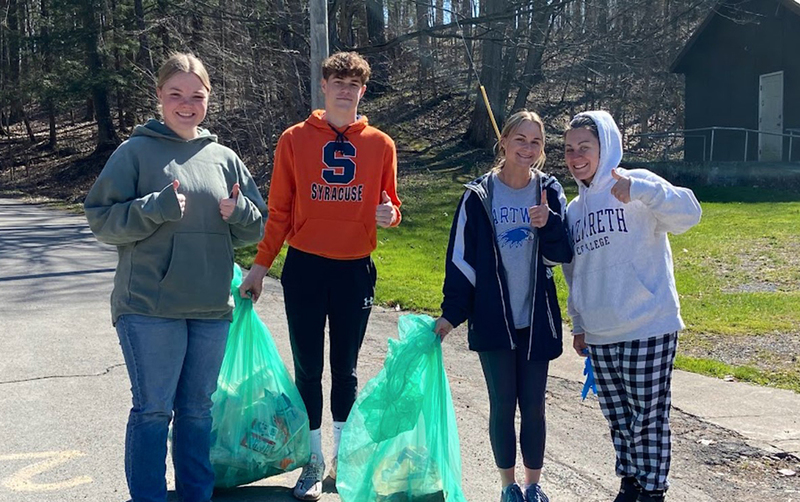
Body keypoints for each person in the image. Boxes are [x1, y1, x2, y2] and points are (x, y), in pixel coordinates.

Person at [83, 53, 267, 502]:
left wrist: (240, 211)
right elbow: (100, 218)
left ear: (209, 99)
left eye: (197, 96)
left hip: (209, 307)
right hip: (148, 307)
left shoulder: (223, 157)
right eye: (176, 94)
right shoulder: (135, 152)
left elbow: (258, 225)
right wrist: (153, 208)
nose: (187, 103)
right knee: (152, 411)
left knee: (198, 412)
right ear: (159, 97)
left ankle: (196, 495)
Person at [238, 51, 401, 501]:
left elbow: (391, 205)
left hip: (354, 271)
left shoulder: (381, 144)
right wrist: (259, 267)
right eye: (337, 81)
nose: (345, 89)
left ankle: (342, 462)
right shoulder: (293, 140)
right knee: (309, 369)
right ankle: (311, 462)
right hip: (306, 267)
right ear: (324, 86)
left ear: (362, 91)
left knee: (344, 371)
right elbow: (280, 212)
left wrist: (391, 215)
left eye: (353, 83)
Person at [561, 111, 702, 502]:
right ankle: (632, 483)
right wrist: (578, 323)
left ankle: (653, 490)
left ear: (604, 146)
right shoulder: (574, 209)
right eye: (570, 149)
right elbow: (573, 271)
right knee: (620, 419)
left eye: (584, 147)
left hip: (648, 324)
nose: (576, 157)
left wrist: (643, 190)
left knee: (648, 417)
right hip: (601, 332)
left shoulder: (635, 181)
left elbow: (690, 214)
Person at [434, 110, 573, 502]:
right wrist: (451, 313)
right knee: (502, 405)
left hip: (536, 321)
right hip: (494, 320)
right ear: (504, 142)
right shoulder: (479, 195)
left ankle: (533, 486)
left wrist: (549, 224)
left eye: (536, 142)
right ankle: (507, 486)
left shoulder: (549, 190)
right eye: (521, 140)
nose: (527, 149)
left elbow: (563, 253)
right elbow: (461, 260)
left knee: (533, 407)